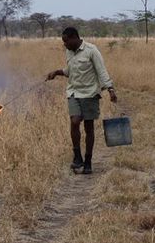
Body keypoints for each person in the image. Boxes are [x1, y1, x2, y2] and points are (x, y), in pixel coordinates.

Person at [46, 27, 117, 174]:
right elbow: (70, 70)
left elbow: (101, 70)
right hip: (73, 92)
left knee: (89, 127)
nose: (65, 45)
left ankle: (88, 161)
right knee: (74, 121)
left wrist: (110, 89)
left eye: (66, 41)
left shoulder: (91, 50)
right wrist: (57, 72)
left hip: (90, 93)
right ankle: (77, 156)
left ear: (74, 38)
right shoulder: (69, 52)